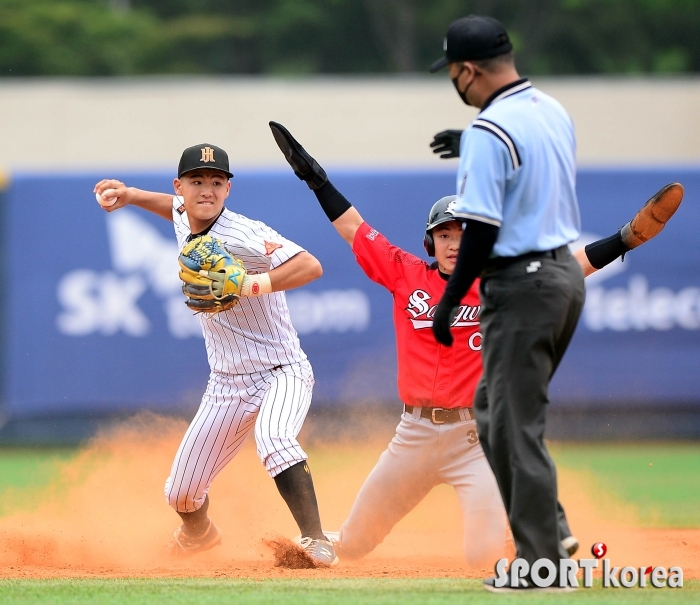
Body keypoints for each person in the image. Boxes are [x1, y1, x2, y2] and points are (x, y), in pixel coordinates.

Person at [266, 122, 682, 569]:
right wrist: (316, 180)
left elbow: (570, 266)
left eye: (465, 235)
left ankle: (516, 529)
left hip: (474, 441)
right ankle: (316, 539)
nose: (453, 243)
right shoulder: (407, 274)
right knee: (352, 545)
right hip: (413, 437)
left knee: (482, 556)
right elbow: (353, 228)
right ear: (432, 240)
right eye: (445, 234)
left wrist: (624, 239)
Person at [428, 15, 683, 591]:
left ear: (468, 70)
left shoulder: (491, 131)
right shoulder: (550, 109)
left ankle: (544, 565)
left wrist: (447, 302)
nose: (453, 83)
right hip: (562, 276)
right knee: (493, 411)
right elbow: (530, 160)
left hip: (521, 284)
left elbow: (482, 228)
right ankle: (553, 529)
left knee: (514, 425)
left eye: (451, 72)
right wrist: (474, 141)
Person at [93, 143, 338, 566]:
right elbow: (170, 208)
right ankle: (200, 535)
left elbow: (310, 265)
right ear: (181, 186)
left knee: (275, 439)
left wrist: (248, 284)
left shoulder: (242, 233)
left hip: (282, 369)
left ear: (228, 189)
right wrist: (131, 195)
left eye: (216, 182)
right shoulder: (183, 215)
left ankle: (315, 539)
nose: (206, 190)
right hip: (226, 382)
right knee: (182, 493)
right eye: (197, 181)